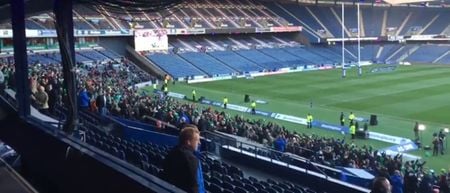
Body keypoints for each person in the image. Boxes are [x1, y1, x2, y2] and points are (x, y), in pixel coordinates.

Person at [161, 125, 205, 193]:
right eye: (197, 140)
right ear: (188, 142)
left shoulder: (172, 152)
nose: (199, 143)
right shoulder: (192, 160)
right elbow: (194, 186)